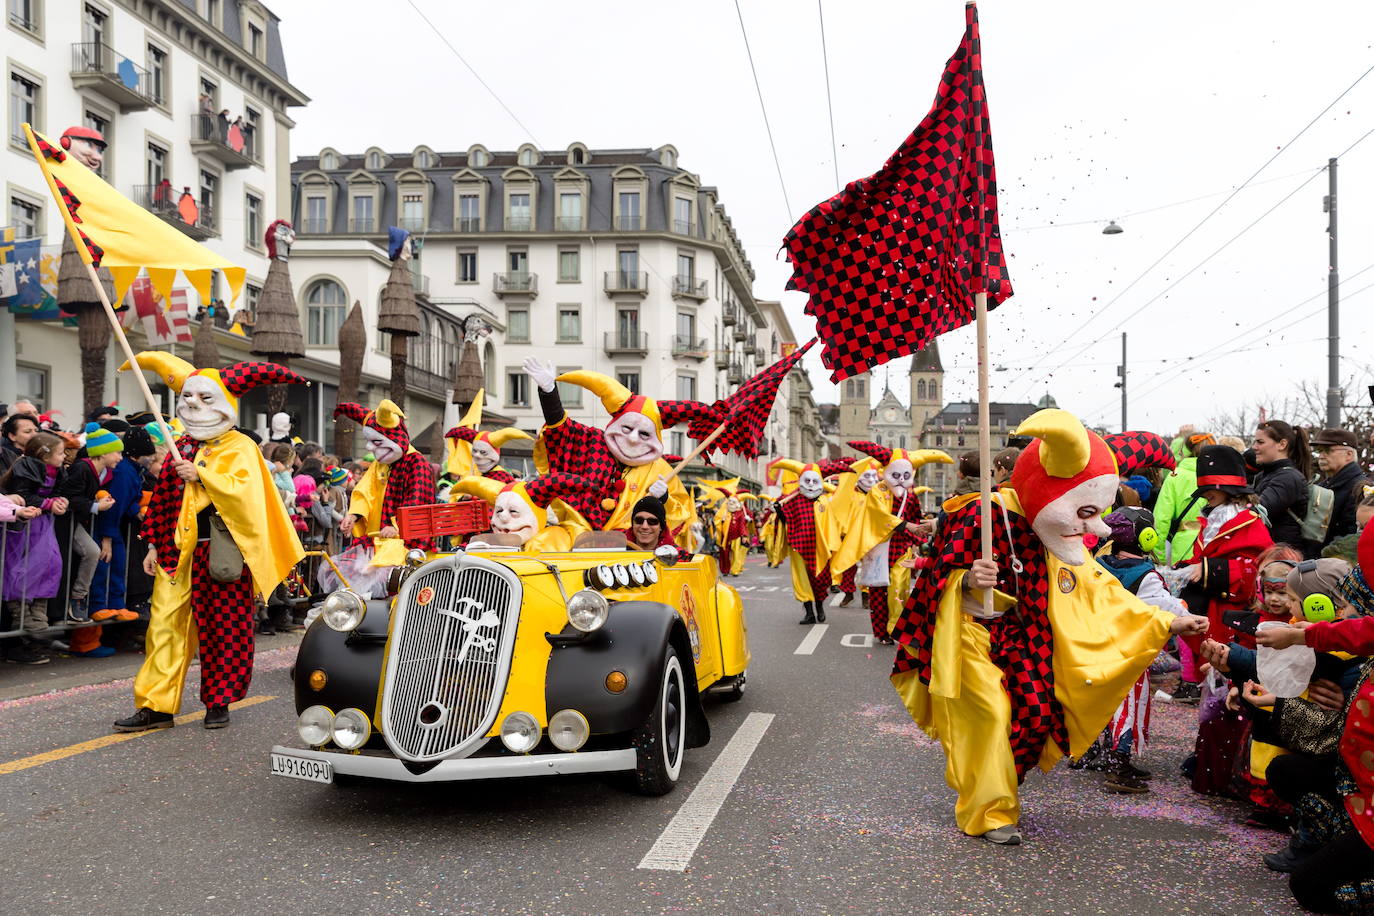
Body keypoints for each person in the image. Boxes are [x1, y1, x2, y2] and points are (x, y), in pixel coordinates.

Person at [889, 408, 1207, 845]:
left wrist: (1169, 620)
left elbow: (1101, 590)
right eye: (1087, 511)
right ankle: (991, 811)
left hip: (1028, 636)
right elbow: (934, 580)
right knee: (990, 715)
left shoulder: (1059, 532)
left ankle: (995, 785)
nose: (1095, 526)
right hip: (970, 635)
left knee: (1037, 717)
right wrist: (966, 581)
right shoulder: (981, 515)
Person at [113, 354, 308, 732]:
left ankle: (218, 702)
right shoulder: (179, 445)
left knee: (223, 629)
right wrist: (153, 544)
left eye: (204, 399)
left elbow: (249, 497)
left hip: (221, 553)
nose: (192, 406)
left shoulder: (241, 447)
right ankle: (156, 705)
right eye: (187, 398)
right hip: (176, 554)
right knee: (164, 628)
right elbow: (166, 499)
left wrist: (202, 477)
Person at [522, 361, 714, 544]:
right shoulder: (592, 442)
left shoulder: (660, 469)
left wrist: (664, 499)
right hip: (578, 535)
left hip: (632, 544)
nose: (633, 438)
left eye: (644, 434)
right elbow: (561, 433)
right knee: (543, 544)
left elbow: (680, 515)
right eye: (626, 429)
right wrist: (549, 394)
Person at [1081, 507, 1190, 794]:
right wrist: (1186, 613)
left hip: (1097, 645)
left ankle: (1097, 753)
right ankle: (1118, 766)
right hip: (1129, 651)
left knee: (1103, 702)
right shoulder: (1145, 575)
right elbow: (1164, 606)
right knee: (1127, 707)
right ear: (1147, 537)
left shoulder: (1098, 564)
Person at [0, 433, 67, 664]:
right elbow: (25, 496)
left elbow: (58, 492)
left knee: (50, 564)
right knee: (20, 567)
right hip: (24, 523)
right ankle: (21, 613)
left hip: (42, 523)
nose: (64, 456)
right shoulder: (26, 467)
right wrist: (48, 503)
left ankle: (39, 612)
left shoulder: (58, 470)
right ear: (44, 453)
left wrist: (60, 501)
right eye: (60, 452)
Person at [1253, 420, 1312, 549]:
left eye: (1260, 442)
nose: (1254, 447)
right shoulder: (1263, 476)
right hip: (1272, 553)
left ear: (1282, 444)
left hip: (1284, 558)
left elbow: (1258, 511)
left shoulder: (1289, 478)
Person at [1312, 428, 1368, 550]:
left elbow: (1352, 536)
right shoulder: (1323, 486)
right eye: (1319, 450)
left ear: (1349, 454)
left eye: (1328, 450)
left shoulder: (1361, 488)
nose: (1321, 455)